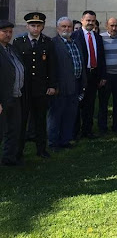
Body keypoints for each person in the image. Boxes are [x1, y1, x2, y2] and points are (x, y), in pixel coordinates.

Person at [13, 12, 57, 159]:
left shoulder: (47, 43)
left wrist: (52, 85)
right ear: (27, 26)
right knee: (22, 121)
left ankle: (41, 149)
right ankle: (18, 151)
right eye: (32, 25)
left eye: (38, 26)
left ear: (43, 26)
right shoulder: (19, 42)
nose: (35, 29)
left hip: (41, 88)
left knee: (40, 120)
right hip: (24, 89)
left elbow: (52, 66)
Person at [48, 17, 87, 150]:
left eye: (69, 26)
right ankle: (53, 142)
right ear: (58, 28)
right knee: (56, 115)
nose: (66, 29)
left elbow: (80, 62)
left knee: (70, 114)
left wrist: (83, 82)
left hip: (75, 84)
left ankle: (65, 140)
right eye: (63, 26)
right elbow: (51, 67)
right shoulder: (53, 43)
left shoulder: (76, 42)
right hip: (61, 85)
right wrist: (54, 85)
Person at [71, 10, 107, 139]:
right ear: (82, 21)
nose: (90, 23)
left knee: (90, 104)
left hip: (94, 75)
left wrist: (103, 76)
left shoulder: (98, 37)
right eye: (88, 20)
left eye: (92, 21)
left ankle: (87, 130)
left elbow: (101, 58)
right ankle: (74, 132)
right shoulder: (75, 36)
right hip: (80, 75)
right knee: (77, 104)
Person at [0, 20, 24, 166]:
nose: (8, 34)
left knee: (14, 129)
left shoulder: (11, 49)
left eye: (10, 32)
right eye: (4, 32)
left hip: (15, 96)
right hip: (2, 99)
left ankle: (9, 158)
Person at [98, 17, 117, 133]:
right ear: (107, 26)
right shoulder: (100, 38)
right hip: (106, 76)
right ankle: (102, 127)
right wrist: (101, 76)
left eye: (116, 25)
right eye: (112, 25)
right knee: (103, 103)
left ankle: (116, 127)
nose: (114, 28)